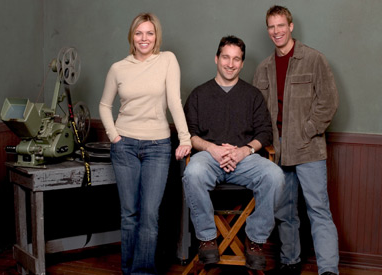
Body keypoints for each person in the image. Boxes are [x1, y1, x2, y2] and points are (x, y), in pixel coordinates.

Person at [99, 13, 191, 275]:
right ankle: (128, 270)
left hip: (158, 147)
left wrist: (184, 138)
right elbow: (105, 105)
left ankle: (141, 272)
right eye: (139, 33)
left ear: (156, 36)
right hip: (124, 146)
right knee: (130, 214)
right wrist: (114, 136)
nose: (144, 38)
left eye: (149, 33)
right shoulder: (118, 68)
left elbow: (174, 101)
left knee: (150, 215)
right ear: (132, 36)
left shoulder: (167, 60)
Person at [182, 35, 285, 271]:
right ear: (216, 59)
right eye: (226, 57)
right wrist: (213, 149)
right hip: (209, 158)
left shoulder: (253, 95)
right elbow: (190, 134)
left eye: (236, 59)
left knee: (275, 176)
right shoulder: (199, 94)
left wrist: (244, 151)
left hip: (244, 160)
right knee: (193, 172)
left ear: (242, 63)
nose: (230, 64)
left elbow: (265, 133)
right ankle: (207, 238)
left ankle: (255, 240)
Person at [253, 5, 339, 275]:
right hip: (275, 152)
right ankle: (290, 263)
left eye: (281, 25)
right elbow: (257, 111)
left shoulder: (314, 59)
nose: (276, 31)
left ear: (291, 26)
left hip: (308, 148)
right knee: (284, 212)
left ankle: (328, 270)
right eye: (271, 26)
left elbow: (329, 101)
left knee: (319, 211)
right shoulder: (264, 67)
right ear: (268, 30)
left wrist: (307, 129)